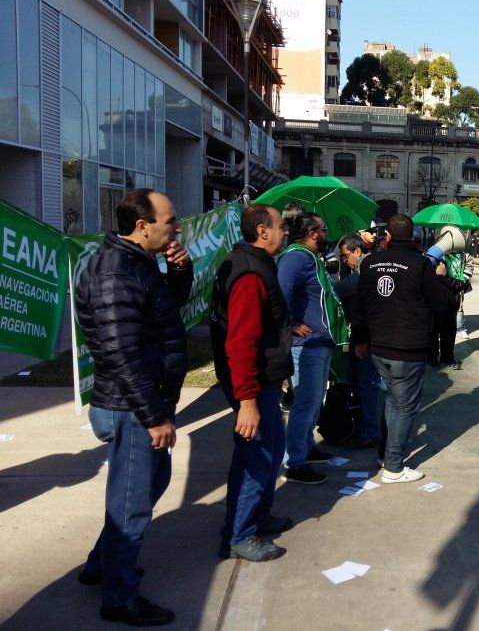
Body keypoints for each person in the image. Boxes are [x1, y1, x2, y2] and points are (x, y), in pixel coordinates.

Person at [75, 189, 193, 626]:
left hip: (138, 402)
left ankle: (100, 564)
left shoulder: (136, 265)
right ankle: (119, 595)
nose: (176, 227)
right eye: (171, 220)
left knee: (150, 482)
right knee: (131, 505)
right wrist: (154, 415)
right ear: (142, 225)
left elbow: (163, 314)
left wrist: (180, 272)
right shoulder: (114, 274)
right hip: (130, 406)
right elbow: (121, 353)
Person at [210, 204, 293, 562]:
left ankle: (258, 515)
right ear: (262, 231)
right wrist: (246, 401)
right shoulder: (248, 273)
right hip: (253, 385)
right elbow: (240, 341)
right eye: (280, 226)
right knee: (255, 457)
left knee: (271, 451)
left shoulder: (257, 265)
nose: (285, 231)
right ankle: (239, 534)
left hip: (265, 379)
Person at [350, 214, 450, 483]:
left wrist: (360, 340)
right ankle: (394, 468)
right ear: (413, 235)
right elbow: (441, 304)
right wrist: (439, 277)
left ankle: (385, 454)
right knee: (404, 406)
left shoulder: (370, 263)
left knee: (393, 402)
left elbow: (359, 308)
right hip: (408, 347)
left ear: (389, 237)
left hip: (378, 346)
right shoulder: (420, 265)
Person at [279, 207, 348, 485]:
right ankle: (293, 462)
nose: (326, 234)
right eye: (323, 230)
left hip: (319, 341)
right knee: (306, 402)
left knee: (314, 399)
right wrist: (292, 322)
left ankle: (305, 448)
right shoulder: (296, 258)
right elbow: (279, 292)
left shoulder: (311, 258)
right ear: (311, 234)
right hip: (305, 344)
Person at [333, 233, 382, 447]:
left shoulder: (365, 269)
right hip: (365, 335)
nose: (344, 260)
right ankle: (360, 425)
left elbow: (339, 289)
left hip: (367, 336)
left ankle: (370, 430)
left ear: (358, 251)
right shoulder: (366, 266)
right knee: (357, 381)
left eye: (345, 255)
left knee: (366, 383)